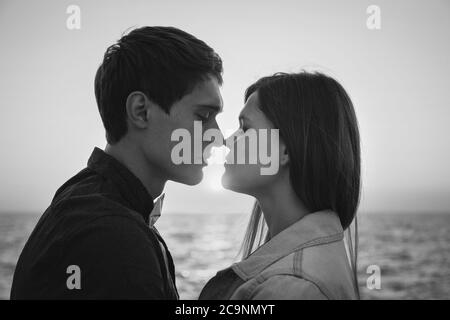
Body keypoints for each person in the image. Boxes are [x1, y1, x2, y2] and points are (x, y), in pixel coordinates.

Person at [11, 26, 224, 299]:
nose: (217, 137)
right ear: (141, 111)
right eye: (203, 115)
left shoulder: (95, 204)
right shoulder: (111, 235)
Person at [199, 71, 361, 300]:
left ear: (284, 150)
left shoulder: (290, 288)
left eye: (245, 128)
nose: (227, 140)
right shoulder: (299, 271)